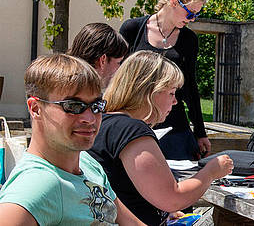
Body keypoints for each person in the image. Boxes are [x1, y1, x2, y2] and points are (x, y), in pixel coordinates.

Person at [88, 50, 234, 226]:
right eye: (171, 93)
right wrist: (211, 172)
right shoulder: (132, 130)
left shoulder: (106, 122)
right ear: (150, 92)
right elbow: (172, 198)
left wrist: (164, 212)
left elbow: (127, 190)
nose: (175, 102)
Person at [0, 54, 146, 226]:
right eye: (73, 106)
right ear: (36, 108)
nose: (90, 118)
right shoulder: (37, 184)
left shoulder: (86, 162)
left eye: (96, 106)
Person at [119, 0, 211, 161]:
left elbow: (190, 87)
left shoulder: (189, 39)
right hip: (135, 124)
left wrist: (200, 132)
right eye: (190, 13)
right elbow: (118, 79)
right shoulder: (133, 29)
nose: (192, 19)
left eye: (196, 15)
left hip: (175, 128)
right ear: (174, 2)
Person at [67, 22, 129, 88]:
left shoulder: (61, 86)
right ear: (103, 60)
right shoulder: (86, 95)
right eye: (118, 63)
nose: (120, 69)